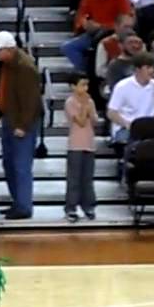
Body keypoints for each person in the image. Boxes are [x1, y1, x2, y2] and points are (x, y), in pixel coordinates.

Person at [0, 30, 41, 220]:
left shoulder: (25, 67)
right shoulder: (5, 64)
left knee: (21, 165)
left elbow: (31, 100)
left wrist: (23, 125)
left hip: (21, 122)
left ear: (9, 49)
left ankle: (24, 206)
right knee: (9, 163)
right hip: (8, 118)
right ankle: (17, 201)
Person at [63, 0, 132, 72]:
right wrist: (85, 23)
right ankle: (85, 71)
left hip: (113, 33)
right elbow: (82, 12)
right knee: (68, 47)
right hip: (93, 32)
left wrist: (103, 26)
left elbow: (126, 19)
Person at [107, 51, 154, 149]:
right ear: (137, 69)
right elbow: (111, 113)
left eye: (153, 68)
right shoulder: (122, 86)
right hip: (127, 127)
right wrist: (128, 124)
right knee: (127, 140)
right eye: (148, 68)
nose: (152, 71)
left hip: (150, 127)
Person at [64, 78, 98, 222]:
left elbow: (95, 120)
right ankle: (71, 208)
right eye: (82, 85)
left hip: (89, 144)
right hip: (75, 145)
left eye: (87, 84)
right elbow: (81, 121)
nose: (85, 88)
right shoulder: (70, 102)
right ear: (73, 86)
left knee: (87, 178)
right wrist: (84, 107)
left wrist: (90, 109)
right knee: (74, 179)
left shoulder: (90, 102)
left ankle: (88, 206)